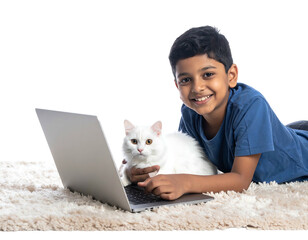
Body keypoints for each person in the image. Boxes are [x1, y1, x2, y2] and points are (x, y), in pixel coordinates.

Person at [126, 26, 308, 200]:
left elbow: (241, 180)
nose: (197, 88)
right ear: (176, 85)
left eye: (208, 75)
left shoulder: (251, 105)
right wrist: (133, 171)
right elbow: (182, 158)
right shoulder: (190, 113)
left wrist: (185, 182)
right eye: (186, 80)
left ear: (231, 76)